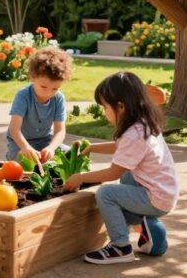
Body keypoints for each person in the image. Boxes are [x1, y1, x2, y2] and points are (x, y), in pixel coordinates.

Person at [63, 72, 179, 264]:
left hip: (156, 198)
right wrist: (92, 147)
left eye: (105, 107)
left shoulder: (134, 134)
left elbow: (112, 173)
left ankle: (120, 247)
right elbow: (120, 148)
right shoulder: (142, 124)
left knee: (106, 193)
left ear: (121, 107)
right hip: (162, 192)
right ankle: (148, 227)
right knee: (126, 178)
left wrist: (81, 177)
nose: (104, 112)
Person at [6, 47, 74, 166]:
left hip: (45, 142)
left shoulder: (59, 98)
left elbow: (60, 130)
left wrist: (51, 148)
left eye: (55, 89)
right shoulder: (23, 95)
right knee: (26, 163)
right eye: (43, 87)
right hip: (20, 144)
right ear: (32, 78)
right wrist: (26, 147)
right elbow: (14, 129)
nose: (48, 93)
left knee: (72, 155)